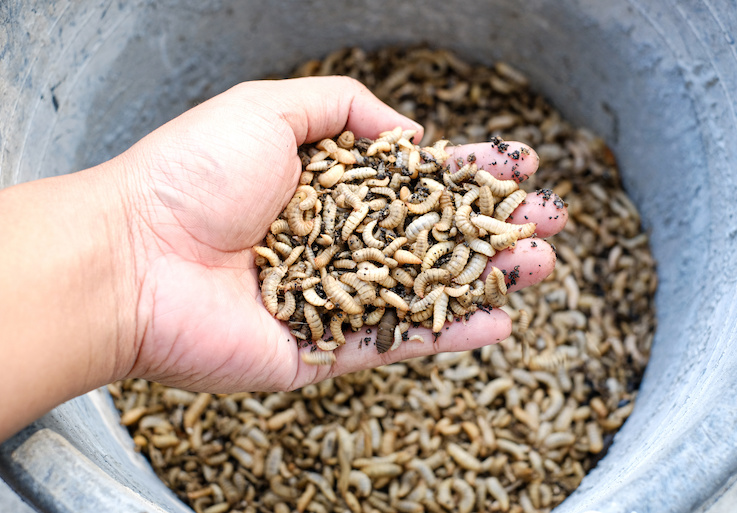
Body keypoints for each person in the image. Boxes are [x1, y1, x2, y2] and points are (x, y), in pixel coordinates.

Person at [0, 76, 567, 443]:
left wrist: (132, 250)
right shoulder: (313, 245)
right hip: (320, 279)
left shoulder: (401, 236)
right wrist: (135, 240)